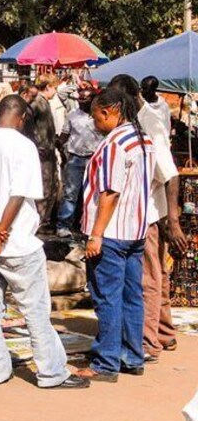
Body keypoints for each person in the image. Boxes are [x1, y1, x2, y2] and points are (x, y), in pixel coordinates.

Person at [0, 95, 88, 389]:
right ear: (20, 118)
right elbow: (18, 194)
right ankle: (51, 373)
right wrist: (0, 231)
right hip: (14, 243)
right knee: (35, 310)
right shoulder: (23, 146)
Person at [75, 87, 155, 383]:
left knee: (107, 297)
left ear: (108, 112)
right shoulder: (143, 139)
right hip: (135, 231)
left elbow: (110, 192)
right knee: (131, 295)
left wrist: (96, 234)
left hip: (112, 232)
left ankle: (106, 362)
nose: (95, 123)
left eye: (96, 117)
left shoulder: (114, 144)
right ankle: (132, 356)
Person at [110, 74, 187, 363]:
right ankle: (164, 332)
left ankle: (147, 341)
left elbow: (171, 175)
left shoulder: (149, 125)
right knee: (158, 275)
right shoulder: (138, 122)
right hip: (151, 211)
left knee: (148, 278)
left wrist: (174, 222)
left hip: (151, 214)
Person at [55, 88, 102, 237]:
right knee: (70, 194)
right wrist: (58, 147)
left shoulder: (100, 116)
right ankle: (63, 225)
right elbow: (64, 135)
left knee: (93, 194)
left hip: (95, 159)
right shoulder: (72, 115)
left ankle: (88, 225)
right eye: (79, 99)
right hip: (75, 158)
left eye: (85, 99)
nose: (81, 102)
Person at [21, 78, 58, 228]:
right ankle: (37, 224)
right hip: (41, 152)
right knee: (43, 189)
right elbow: (26, 127)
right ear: (49, 86)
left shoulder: (43, 102)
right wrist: (35, 147)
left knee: (51, 187)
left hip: (48, 150)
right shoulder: (36, 103)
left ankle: (42, 221)